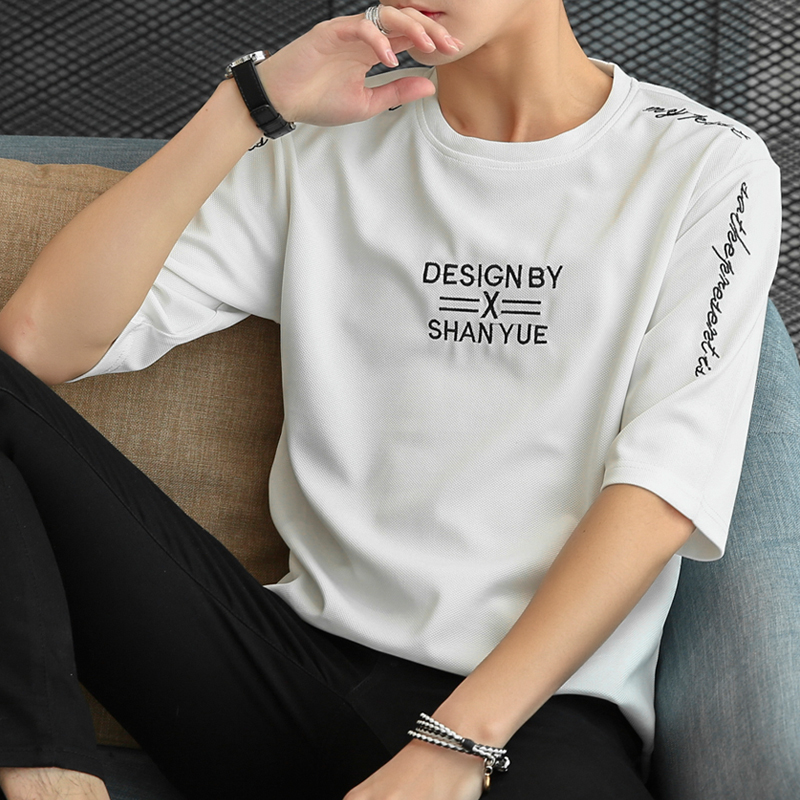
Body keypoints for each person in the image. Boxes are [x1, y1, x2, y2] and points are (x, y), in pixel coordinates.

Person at [0, 1, 782, 798]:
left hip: (533, 716)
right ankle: (46, 772)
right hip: (288, 672)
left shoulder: (704, 163)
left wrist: (455, 743)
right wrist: (248, 106)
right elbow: (36, 343)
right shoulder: (321, 145)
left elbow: (662, 488)